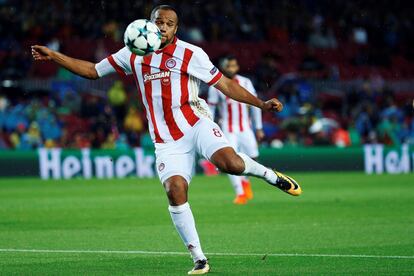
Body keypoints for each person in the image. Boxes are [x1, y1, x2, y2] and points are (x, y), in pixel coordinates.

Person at [31, 5, 302, 275]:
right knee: (175, 190)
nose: (163, 27)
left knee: (229, 162)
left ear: (176, 28)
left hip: (196, 123)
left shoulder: (190, 53)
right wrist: (54, 55)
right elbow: (92, 70)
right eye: (158, 21)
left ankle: (269, 175)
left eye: (169, 23)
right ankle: (199, 259)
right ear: (149, 22)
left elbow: (226, 84)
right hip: (165, 139)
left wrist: (261, 104)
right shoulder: (132, 52)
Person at [208, 55, 264, 204]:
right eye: (228, 66)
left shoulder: (245, 82)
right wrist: (209, 126)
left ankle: (245, 182)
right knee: (229, 162)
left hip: (245, 128)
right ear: (223, 67)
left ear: (237, 67)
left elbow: (255, 106)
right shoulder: (215, 85)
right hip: (228, 129)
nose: (231, 69)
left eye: (234, 66)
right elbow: (211, 109)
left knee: (253, 157)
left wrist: (258, 127)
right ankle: (240, 193)